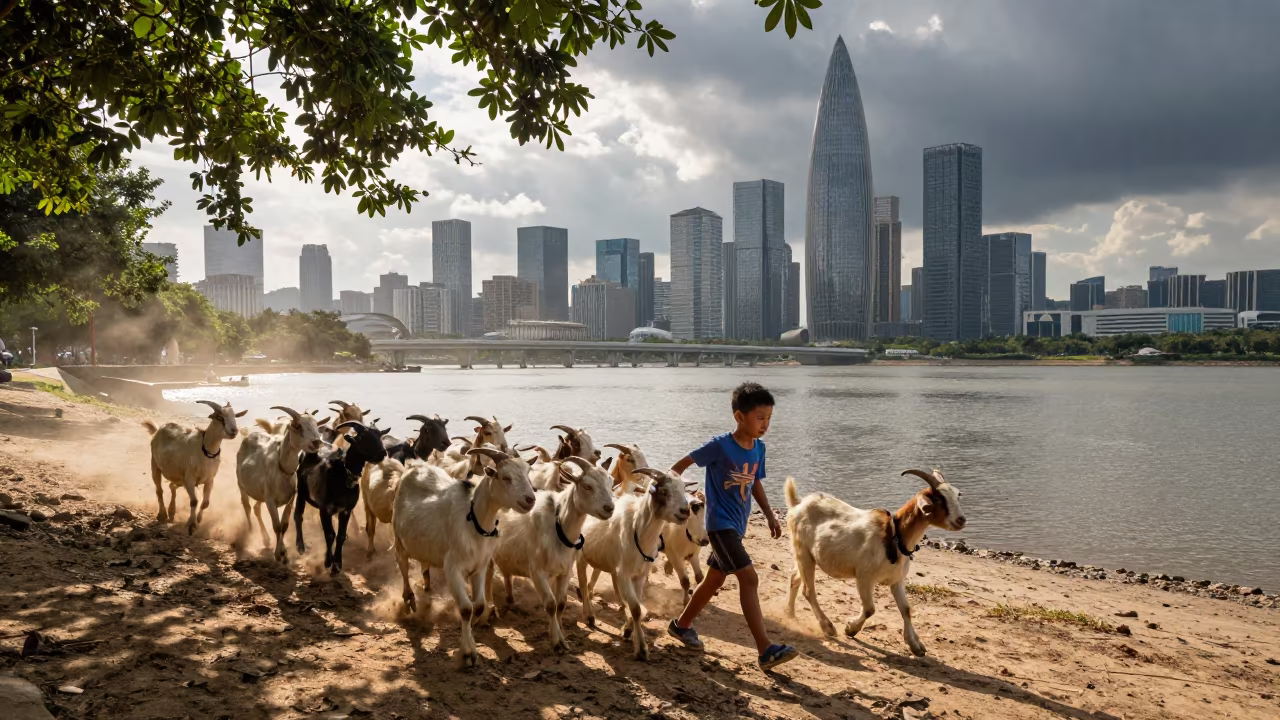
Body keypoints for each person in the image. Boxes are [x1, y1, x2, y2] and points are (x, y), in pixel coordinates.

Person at [666, 382, 799, 670]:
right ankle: (765, 649)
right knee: (749, 579)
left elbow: (755, 483)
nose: (765, 425)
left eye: (769, 419)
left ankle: (681, 625)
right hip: (719, 526)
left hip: (738, 526)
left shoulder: (758, 448)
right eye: (760, 418)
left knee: (714, 579)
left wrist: (770, 514)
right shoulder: (719, 446)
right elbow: (679, 466)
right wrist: (677, 494)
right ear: (740, 417)